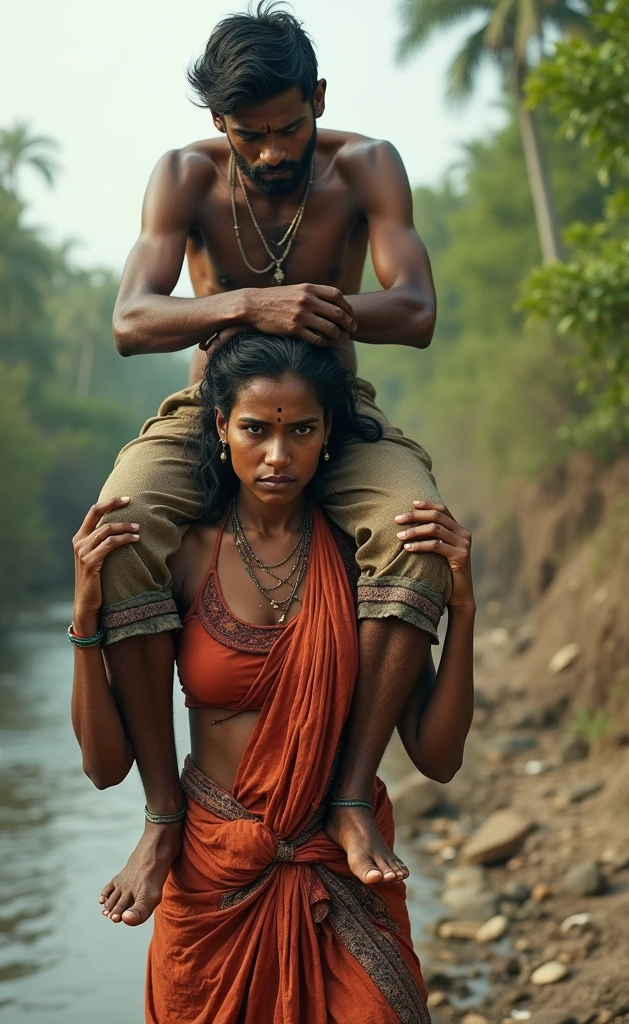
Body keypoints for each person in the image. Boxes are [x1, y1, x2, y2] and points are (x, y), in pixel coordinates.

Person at [96, 2, 452, 924]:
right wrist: (250, 310)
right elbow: (133, 319)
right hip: (209, 416)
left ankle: (348, 797)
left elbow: (414, 309)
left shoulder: (366, 164)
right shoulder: (184, 176)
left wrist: (315, 308)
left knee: (415, 536)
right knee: (119, 530)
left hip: (334, 414)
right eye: (248, 133)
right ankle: (163, 813)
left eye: (288, 126)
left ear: (318, 99)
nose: (268, 151)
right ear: (218, 124)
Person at [70, 334, 475, 1024]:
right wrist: (85, 620)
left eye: (303, 431)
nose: (279, 456)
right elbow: (106, 767)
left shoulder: (363, 563)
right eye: (256, 429)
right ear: (221, 427)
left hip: (341, 865)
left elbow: (436, 758)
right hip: (210, 874)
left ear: (329, 437)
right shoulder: (183, 558)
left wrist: (461, 609)